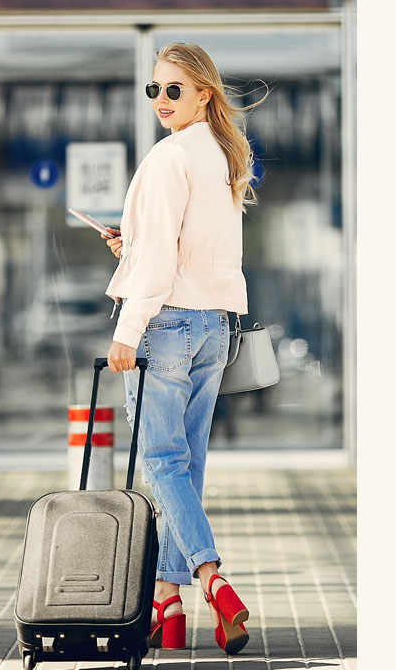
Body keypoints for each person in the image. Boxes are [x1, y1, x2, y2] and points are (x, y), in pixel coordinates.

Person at [103, 43, 264, 655]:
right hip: (212, 328)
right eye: (154, 91)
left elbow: (166, 262)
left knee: (163, 463)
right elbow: (195, 250)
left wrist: (127, 332)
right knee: (187, 467)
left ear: (205, 94)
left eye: (175, 90)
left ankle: (209, 576)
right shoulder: (223, 156)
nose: (162, 102)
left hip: (166, 326)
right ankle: (166, 605)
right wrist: (132, 247)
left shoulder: (170, 158)